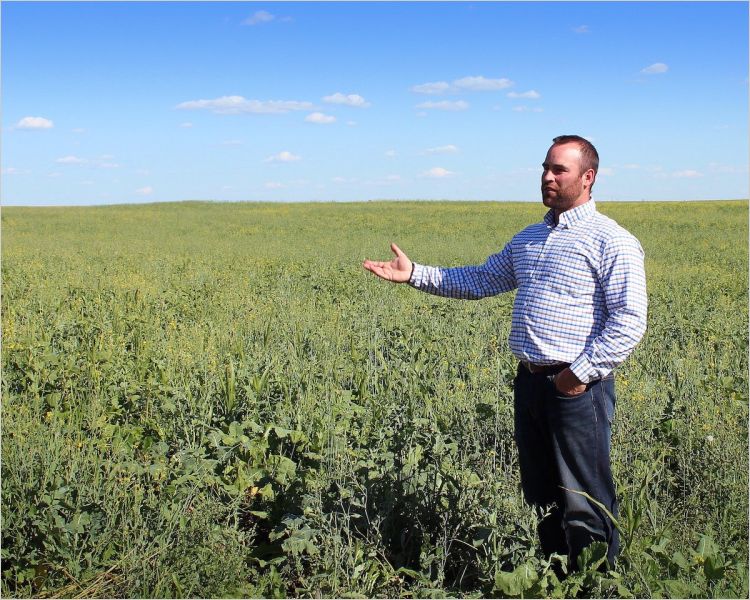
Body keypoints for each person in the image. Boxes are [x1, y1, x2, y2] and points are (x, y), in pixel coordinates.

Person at [362, 135, 647, 571]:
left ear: (588, 178)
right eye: (545, 168)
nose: (547, 177)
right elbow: (480, 280)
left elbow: (629, 321)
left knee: (585, 498)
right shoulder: (530, 238)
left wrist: (577, 376)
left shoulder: (613, 240)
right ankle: (555, 580)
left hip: (577, 388)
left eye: (559, 170)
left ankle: (599, 584)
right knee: (543, 495)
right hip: (530, 383)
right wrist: (415, 274)